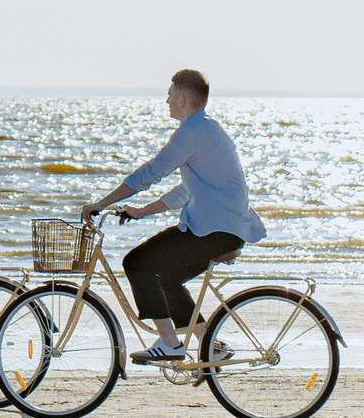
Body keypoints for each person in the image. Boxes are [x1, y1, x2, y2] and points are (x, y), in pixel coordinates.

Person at [79, 68, 266, 364]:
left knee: (137, 263)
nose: (165, 99)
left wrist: (100, 203)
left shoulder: (193, 131)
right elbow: (185, 192)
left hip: (214, 229)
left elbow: (149, 173)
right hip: (226, 227)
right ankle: (211, 345)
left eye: (169, 95)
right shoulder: (207, 129)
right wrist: (140, 211)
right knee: (165, 278)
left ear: (181, 99)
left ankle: (170, 343)